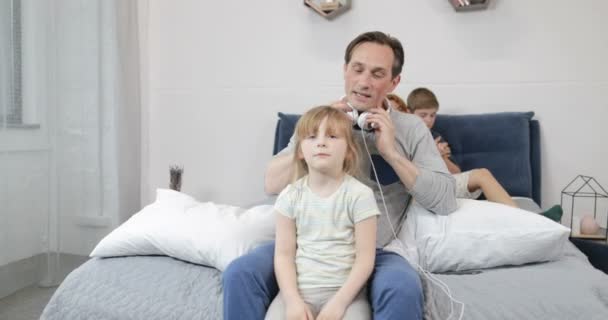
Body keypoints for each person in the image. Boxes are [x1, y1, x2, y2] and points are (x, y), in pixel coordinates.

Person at [223, 31, 458, 320]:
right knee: (240, 273)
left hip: (375, 252)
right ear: (345, 70)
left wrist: (391, 154)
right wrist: (314, 133)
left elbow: (445, 200)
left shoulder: (410, 129)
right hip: (308, 248)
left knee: (403, 288)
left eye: (377, 73)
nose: (363, 81)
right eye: (357, 69)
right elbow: (271, 183)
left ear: (394, 82)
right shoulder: (318, 122)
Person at [265, 106, 378, 320]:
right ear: (299, 151)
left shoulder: (360, 196)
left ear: (349, 151)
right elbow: (283, 255)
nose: (321, 142)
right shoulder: (290, 196)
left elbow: (365, 259)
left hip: (347, 297)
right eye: (311, 137)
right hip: (297, 295)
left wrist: (339, 303)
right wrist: (292, 301)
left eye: (332, 136)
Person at [406, 88, 563, 219]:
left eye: (433, 115)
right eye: (423, 115)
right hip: (424, 187)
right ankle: (532, 221)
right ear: (409, 113)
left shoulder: (436, 136)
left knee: (482, 174)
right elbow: (406, 172)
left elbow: (456, 173)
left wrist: (441, 157)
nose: (428, 120)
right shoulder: (404, 135)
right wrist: (431, 155)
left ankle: (530, 218)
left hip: (445, 182)